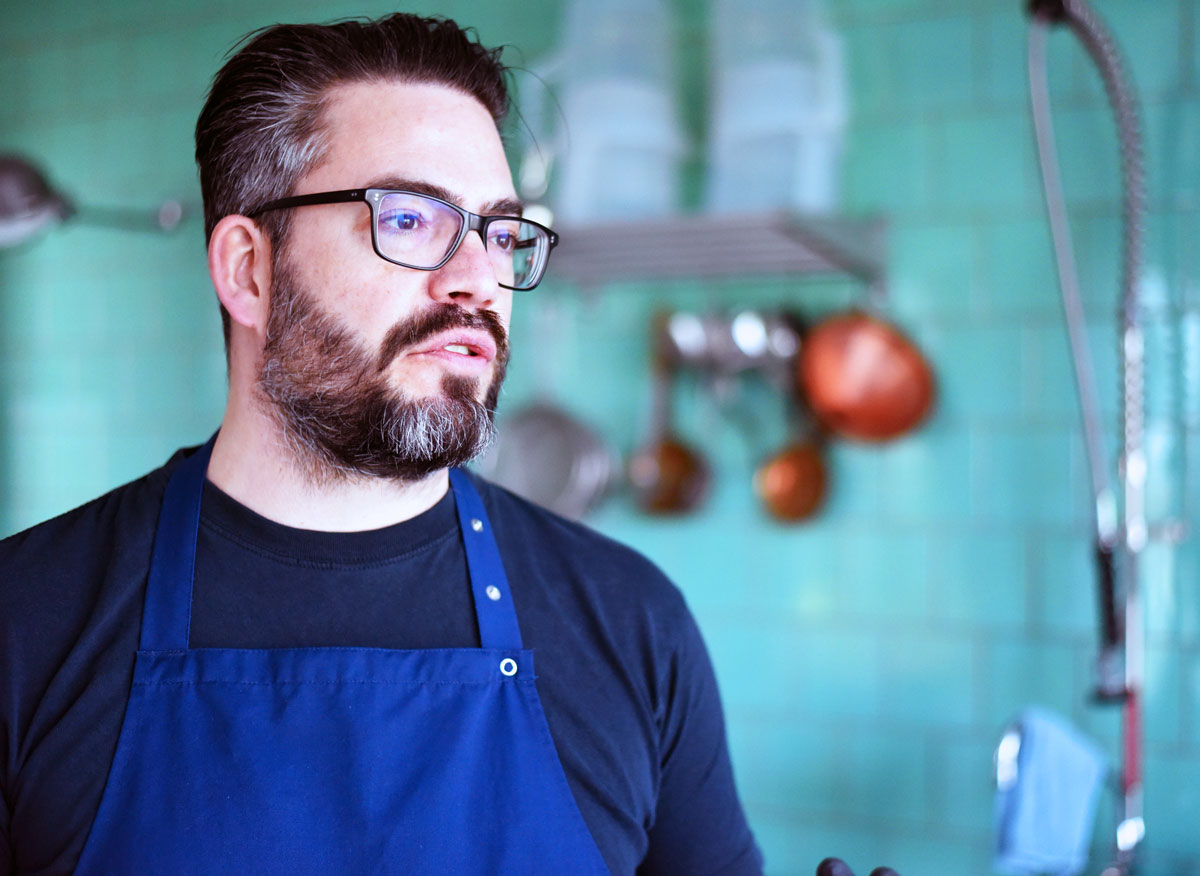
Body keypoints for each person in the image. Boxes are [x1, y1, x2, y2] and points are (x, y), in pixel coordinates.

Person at [0, 13, 763, 875]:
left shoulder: (632, 624)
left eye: (503, 234)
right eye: (408, 220)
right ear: (248, 269)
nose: (478, 279)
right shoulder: (23, 628)